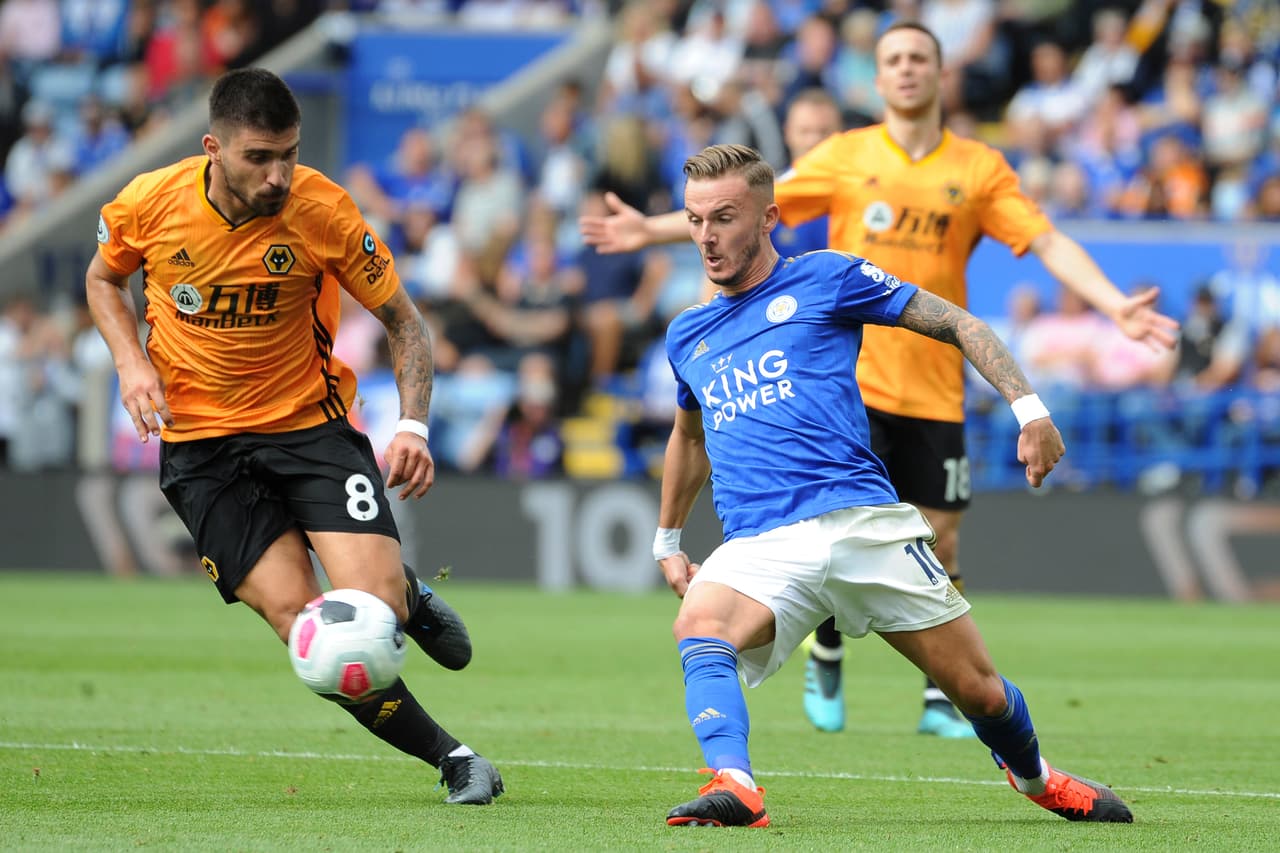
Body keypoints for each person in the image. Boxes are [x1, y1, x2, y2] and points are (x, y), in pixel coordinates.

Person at [580, 21, 1179, 739]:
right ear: (880, 74)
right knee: (830, 526)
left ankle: (937, 694)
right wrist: (650, 231)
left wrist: (1114, 304)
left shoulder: (979, 168)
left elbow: (1044, 239)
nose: (904, 69)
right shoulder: (847, 156)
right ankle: (825, 646)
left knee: (943, 543)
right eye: (891, 57)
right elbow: (738, 205)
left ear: (941, 70)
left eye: (918, 57)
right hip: (847, 388)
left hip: (933, 379)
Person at [654, 142, 1133, 828]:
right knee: (699, 624)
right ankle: (736, 783)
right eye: (695, 219)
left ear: (768, 218)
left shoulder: (827, 278)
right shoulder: (688, 334)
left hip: (862, 521)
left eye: (723, 217)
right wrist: (668, 537)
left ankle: (1037, 778)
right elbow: (689, 436)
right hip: (761, 539)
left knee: (979, 691)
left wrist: (1029, 408)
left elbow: (959, 323)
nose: (706, 235)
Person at [83, 68, 504, 806]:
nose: (279, 175)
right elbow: (101, 279)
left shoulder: (324, 210)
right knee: (313, 634)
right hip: (203, 450)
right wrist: (130, 361)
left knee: (376, 610)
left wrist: (413, 425)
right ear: (213, 147)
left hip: (309, 428)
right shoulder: (148, 204)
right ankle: (456, 758)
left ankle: (404, 594)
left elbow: (406, 322)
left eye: (290, 154)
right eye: (259, 158)